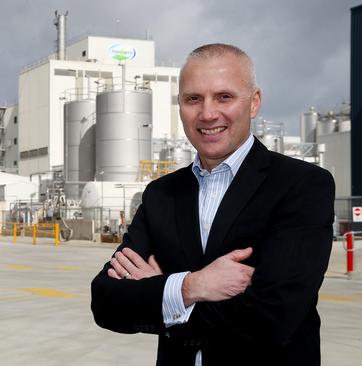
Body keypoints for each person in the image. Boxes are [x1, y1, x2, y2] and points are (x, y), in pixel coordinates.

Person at [90, 43, 335, 366]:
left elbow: (272, 318)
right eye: (193, 99)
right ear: (180, 105)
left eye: (224, 97)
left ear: (254, 103)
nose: (207, 114)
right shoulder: (161, 194)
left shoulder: (301, 185)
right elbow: (106, 303)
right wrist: (192, 286)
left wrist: (161, 293)